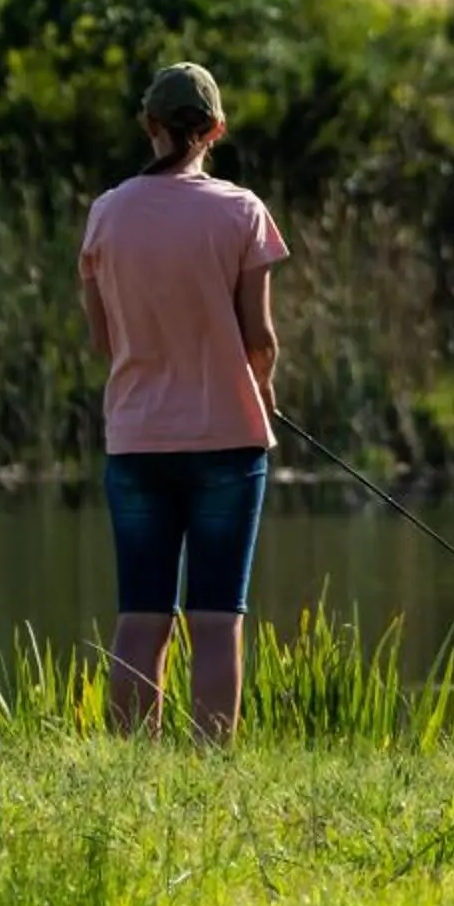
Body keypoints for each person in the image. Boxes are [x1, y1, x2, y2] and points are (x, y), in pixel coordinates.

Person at [79, 59, 287, 740]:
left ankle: (133, 763)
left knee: (142, 613)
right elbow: (261, 338)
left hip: (137, 439)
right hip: (228, 438)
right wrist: (264, 389)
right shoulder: (241, 210)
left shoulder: (105, 213)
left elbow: (102, 337)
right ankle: (210, 765)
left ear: (149, 125)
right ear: (216, 130)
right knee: (218, 615)